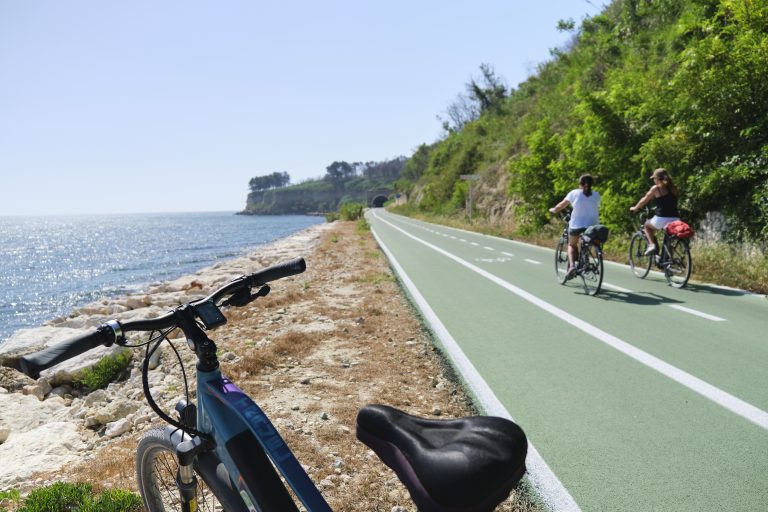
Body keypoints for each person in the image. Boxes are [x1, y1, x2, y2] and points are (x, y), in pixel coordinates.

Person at [549, 174, 601, 278]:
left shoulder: (574, 193)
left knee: (572, 245)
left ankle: (572, 266)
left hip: (577, 224)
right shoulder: (596, 195)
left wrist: (554, 210)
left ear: (580, 184)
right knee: (587, 242)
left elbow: (562, 204)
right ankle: (586, 260)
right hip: (593, 226)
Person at [629, 168, 680, 255]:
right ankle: (668, 260)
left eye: (654, 178)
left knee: (647, 225)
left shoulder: (656, 189)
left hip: (662, 219)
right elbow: (669, 201)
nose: (653, 180)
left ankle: (652, 245)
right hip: (676, 219)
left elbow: (644, 200)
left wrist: (635, 208)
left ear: (657, 178)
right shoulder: (673, 187)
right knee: (668, 237)